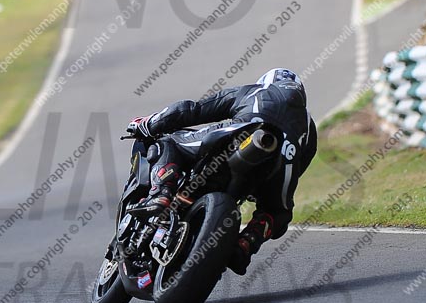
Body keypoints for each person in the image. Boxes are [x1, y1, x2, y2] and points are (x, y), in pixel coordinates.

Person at [126, 68, 317, 275]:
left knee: (167, 142)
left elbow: (192, 110)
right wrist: (265, 190)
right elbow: (300, 167)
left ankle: (161, 192)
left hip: (237, 137)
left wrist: (150, 123)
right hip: (279, 166)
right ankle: (247, 243)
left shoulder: (255, 91)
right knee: (278, 213)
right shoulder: (309, 128)